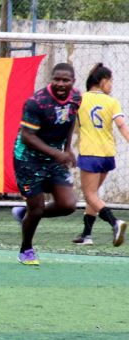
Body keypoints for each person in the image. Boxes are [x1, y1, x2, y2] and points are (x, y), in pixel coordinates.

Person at [11, 63, 81, 266]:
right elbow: (26, 137)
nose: (61, 84)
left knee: (68, 205)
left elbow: (69, 120)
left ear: (73, 82)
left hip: (54, 157)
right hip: (27, 159)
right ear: (51, 80)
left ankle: (24, 214)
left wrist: (67, 148)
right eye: (57, 79)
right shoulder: (37, 103)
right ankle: (26, 249)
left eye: (65, 80)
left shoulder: (76, 98)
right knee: (37, 208)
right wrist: (57, 153)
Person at [72, 63, 128, 246]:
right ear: (102, 81)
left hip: (90, 154)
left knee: (89, 196)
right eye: (110, 81)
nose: (111, 85)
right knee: (94, 195)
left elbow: (71, 125)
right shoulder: (111, 101)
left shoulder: (80, 99)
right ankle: (86, 235)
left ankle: (115, 222)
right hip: (107, 154)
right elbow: (121, 125)